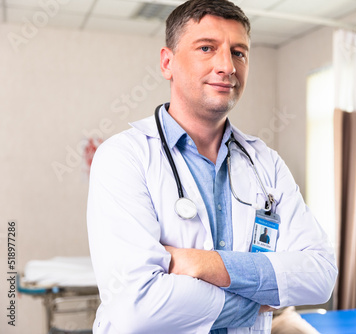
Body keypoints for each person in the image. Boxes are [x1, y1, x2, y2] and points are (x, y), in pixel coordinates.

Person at [86, 0, 337, 333]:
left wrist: (202, 263)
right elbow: (139, 308)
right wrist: (258, 297)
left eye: (239, 52)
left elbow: (320, 276)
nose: (228, 66)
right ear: (167, 62)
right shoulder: (123, 156)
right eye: (207, 48)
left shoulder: (267, 163)